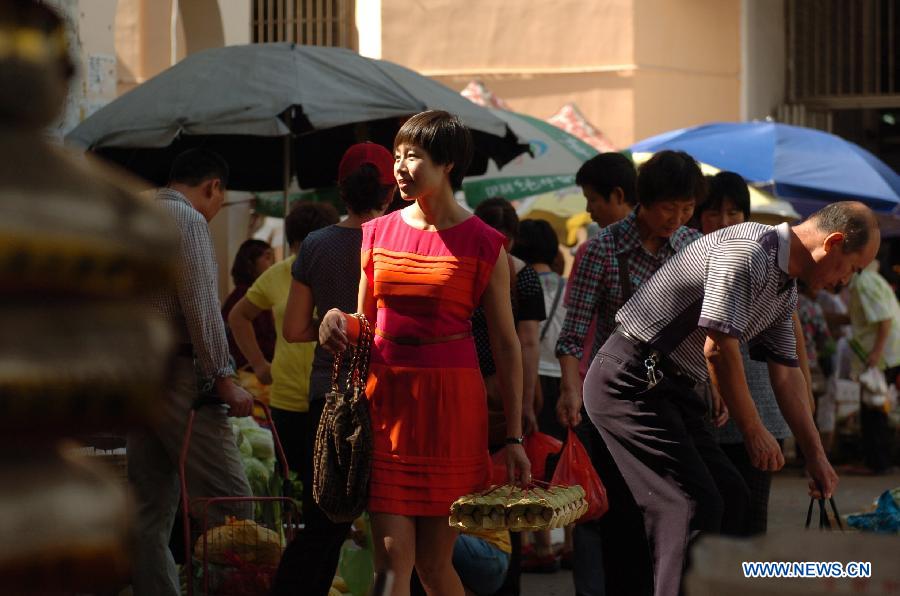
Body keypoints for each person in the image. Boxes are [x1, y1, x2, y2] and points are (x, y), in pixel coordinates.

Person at [584, 201, 879, 596]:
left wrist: (816, 456)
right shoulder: (748, 251)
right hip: (630, 379)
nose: (845, 283)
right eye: (852, 269)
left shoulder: (784, 287)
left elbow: (788, 376)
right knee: (689, 505)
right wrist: (753, 428)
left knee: (731, 494)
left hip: (673, 389)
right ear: (834, 243)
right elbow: (718, 348)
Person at [318, 110, 531, 596]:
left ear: (449, 163)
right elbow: (364, 323)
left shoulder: (484, 244)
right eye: (397, 155)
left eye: (413, 156)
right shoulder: (377, 233)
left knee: (435, 567)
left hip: (452, 412)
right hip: (386, 406)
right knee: (391, 562)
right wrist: (336, 322)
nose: (399, 166)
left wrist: (515, 434)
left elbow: (506, 344)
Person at [556, 150, 703, 596]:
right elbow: (572, 333)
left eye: (687, 208)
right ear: (642, 199)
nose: (676, 218)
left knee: (693, 506)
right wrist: (569, 391)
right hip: (617, 403)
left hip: (678, 397)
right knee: (623, 519)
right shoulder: (601, 250)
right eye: (667, 207)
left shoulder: (696, 246)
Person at [130, 148, 254, 596]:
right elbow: (202, 307)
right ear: (212, 187)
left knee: (148, 513)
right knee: (235, 507)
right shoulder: (186, 220)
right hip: (181, 378)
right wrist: (224, 377)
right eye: (221, 198)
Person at [274, 142, 396, 596]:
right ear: (390, 192)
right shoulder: (398, 241)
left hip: (327, 397)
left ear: (341, 192)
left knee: (324, 523)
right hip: (388, 396)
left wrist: (333, 326)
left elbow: (292, 329)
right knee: (394, 522)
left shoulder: (317, 245)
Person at [696, 171, 793, 536]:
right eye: (714, 213)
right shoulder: (690, 258)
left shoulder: (763, 259)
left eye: (734, 213)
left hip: (759, 405)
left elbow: (790, 330)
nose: (723, 222)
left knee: (752, 520)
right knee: (711, 521)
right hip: (706, 411)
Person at [228, 200, 338, 466]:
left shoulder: (340, 270)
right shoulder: (278, 274)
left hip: (331, 393)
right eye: (302, 247)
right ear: (294, 244)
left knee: (326, 483)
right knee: (292, 480)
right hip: (286, 395)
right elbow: (238, 316)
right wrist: (258, 364)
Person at [510, 218, 574, 570]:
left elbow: (525, 340)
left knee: (532, 467)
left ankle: (543, 545)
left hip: (532, 382)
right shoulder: (569, 287)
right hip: (567, 382)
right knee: (569, 464)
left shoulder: (519, 285)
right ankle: (573, 543)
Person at [847, 259, 900, 474]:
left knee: (874, 408)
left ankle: (877, 463)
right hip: (885, 353)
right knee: (878, 408)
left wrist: (875, 353)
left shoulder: (864, 282)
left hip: (878, 355)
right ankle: (878, 461)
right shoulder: (873, 279)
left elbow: (884, 319)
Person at [221, 239, 276, 371]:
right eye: (268, 257)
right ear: (250, 263)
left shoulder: (241, 295)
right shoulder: (247, 298)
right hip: (248, 372)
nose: (273, 265)